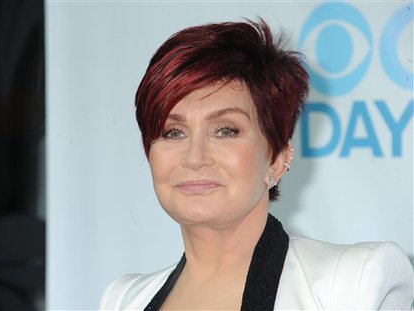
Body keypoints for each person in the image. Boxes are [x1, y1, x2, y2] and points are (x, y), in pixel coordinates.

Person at [99, 19, 413, 310]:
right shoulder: (123, 299)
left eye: (225, 131)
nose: (194, 158)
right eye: (173, 132)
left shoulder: (354, 284)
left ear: (276, 158)